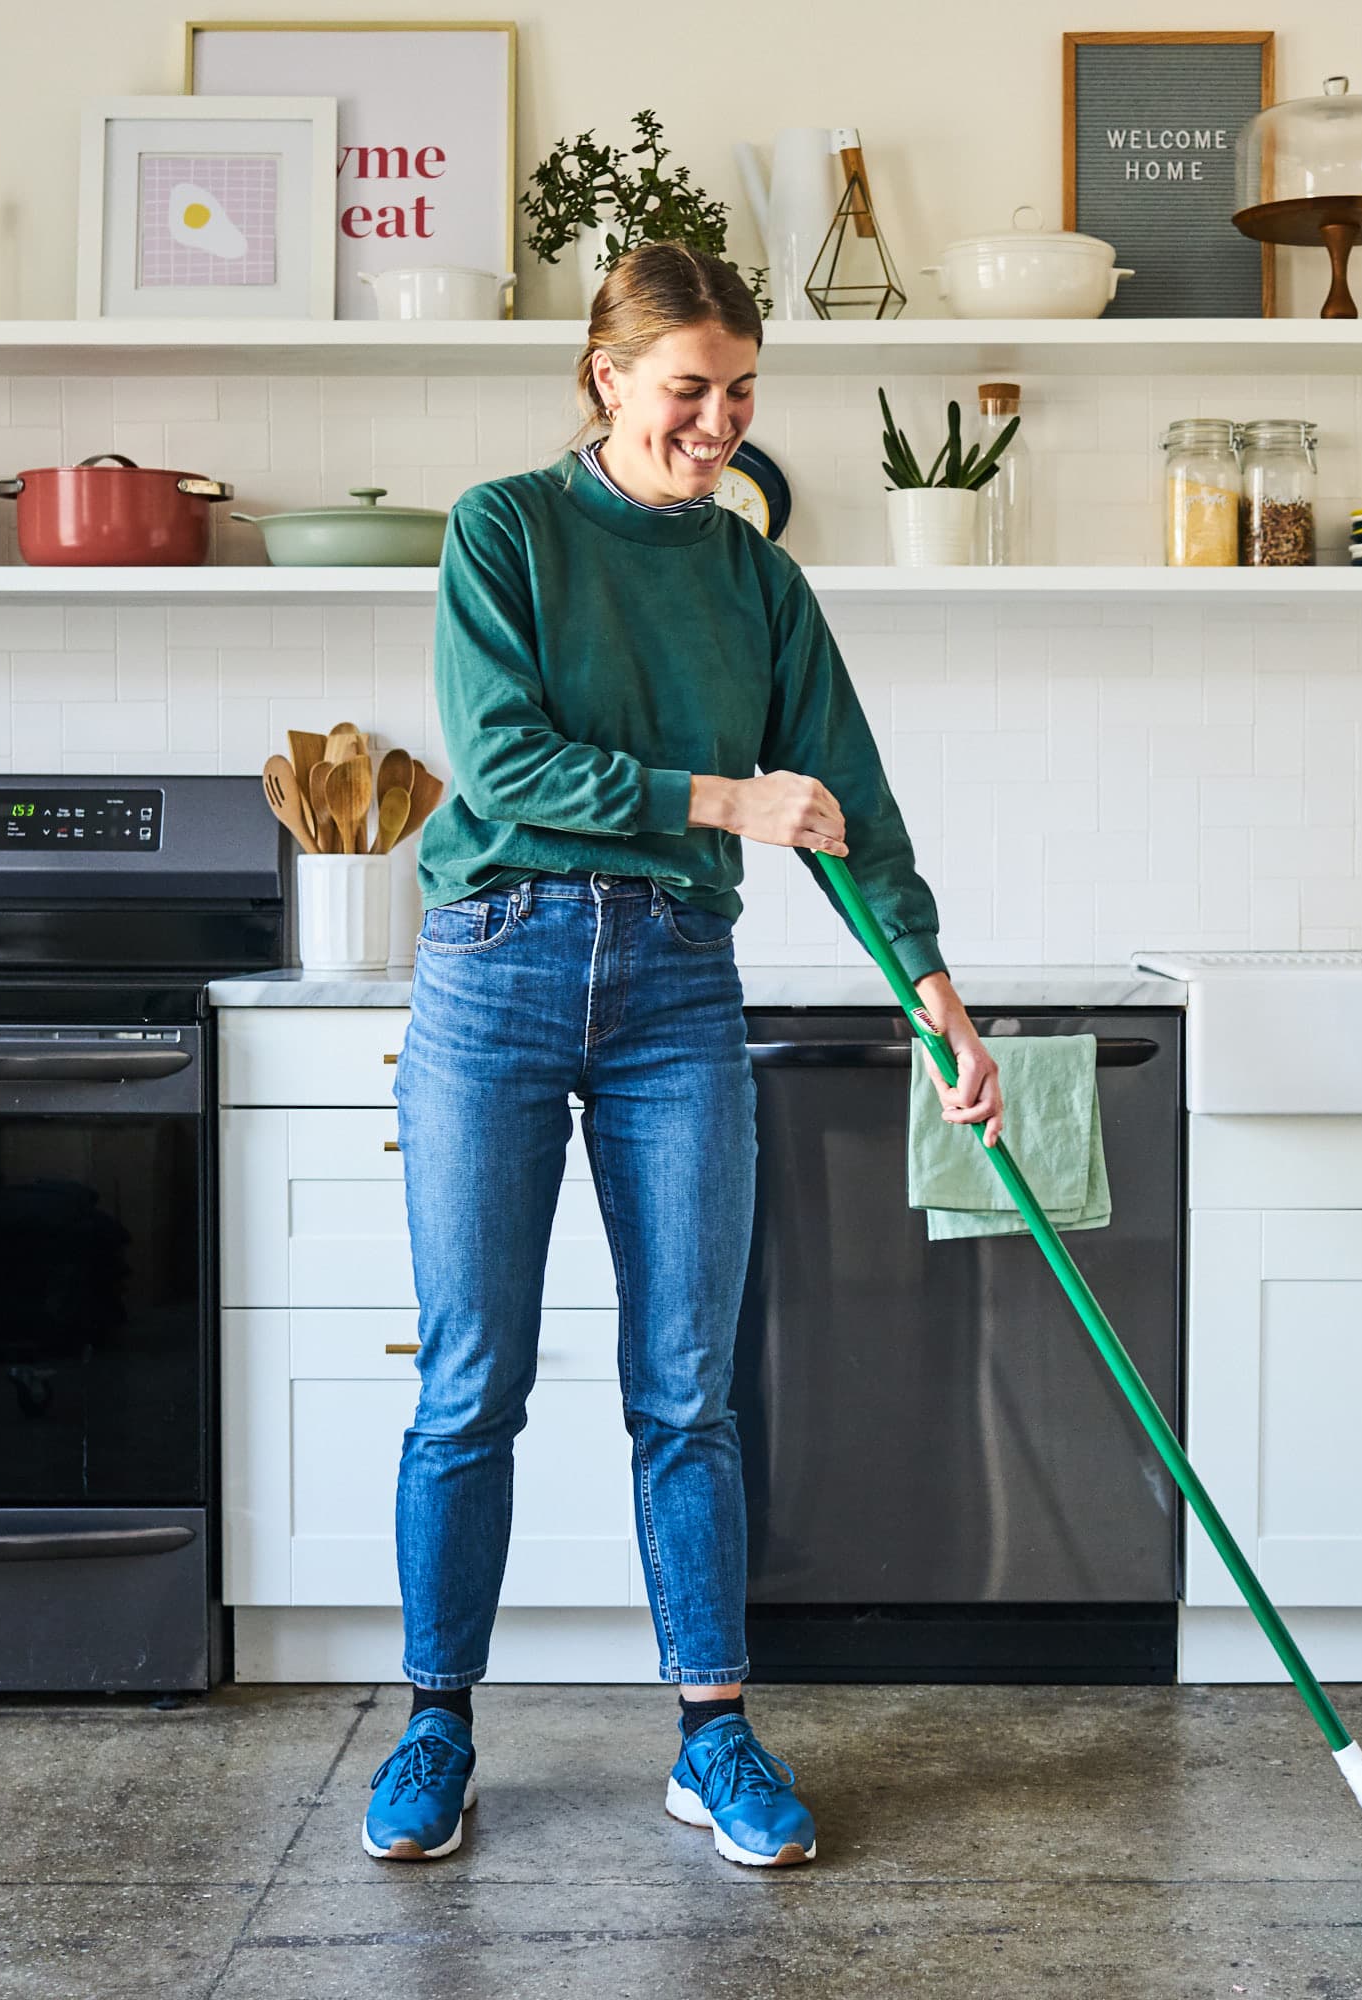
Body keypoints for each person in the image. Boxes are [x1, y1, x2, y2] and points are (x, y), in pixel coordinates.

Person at [360, 242, 1002, 1869]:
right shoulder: (505, 530)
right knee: (467, 1386)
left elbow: (848, 798)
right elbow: (501, 760)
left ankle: (711, 1735)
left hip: (672, 989)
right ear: (606, 378)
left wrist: (931, 988)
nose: (717, 424)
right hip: (493, 972)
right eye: (686, 391)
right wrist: (722, 799)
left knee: (690, 1390)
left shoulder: (756, 582)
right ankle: (436, 1725)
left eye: (740, 394)